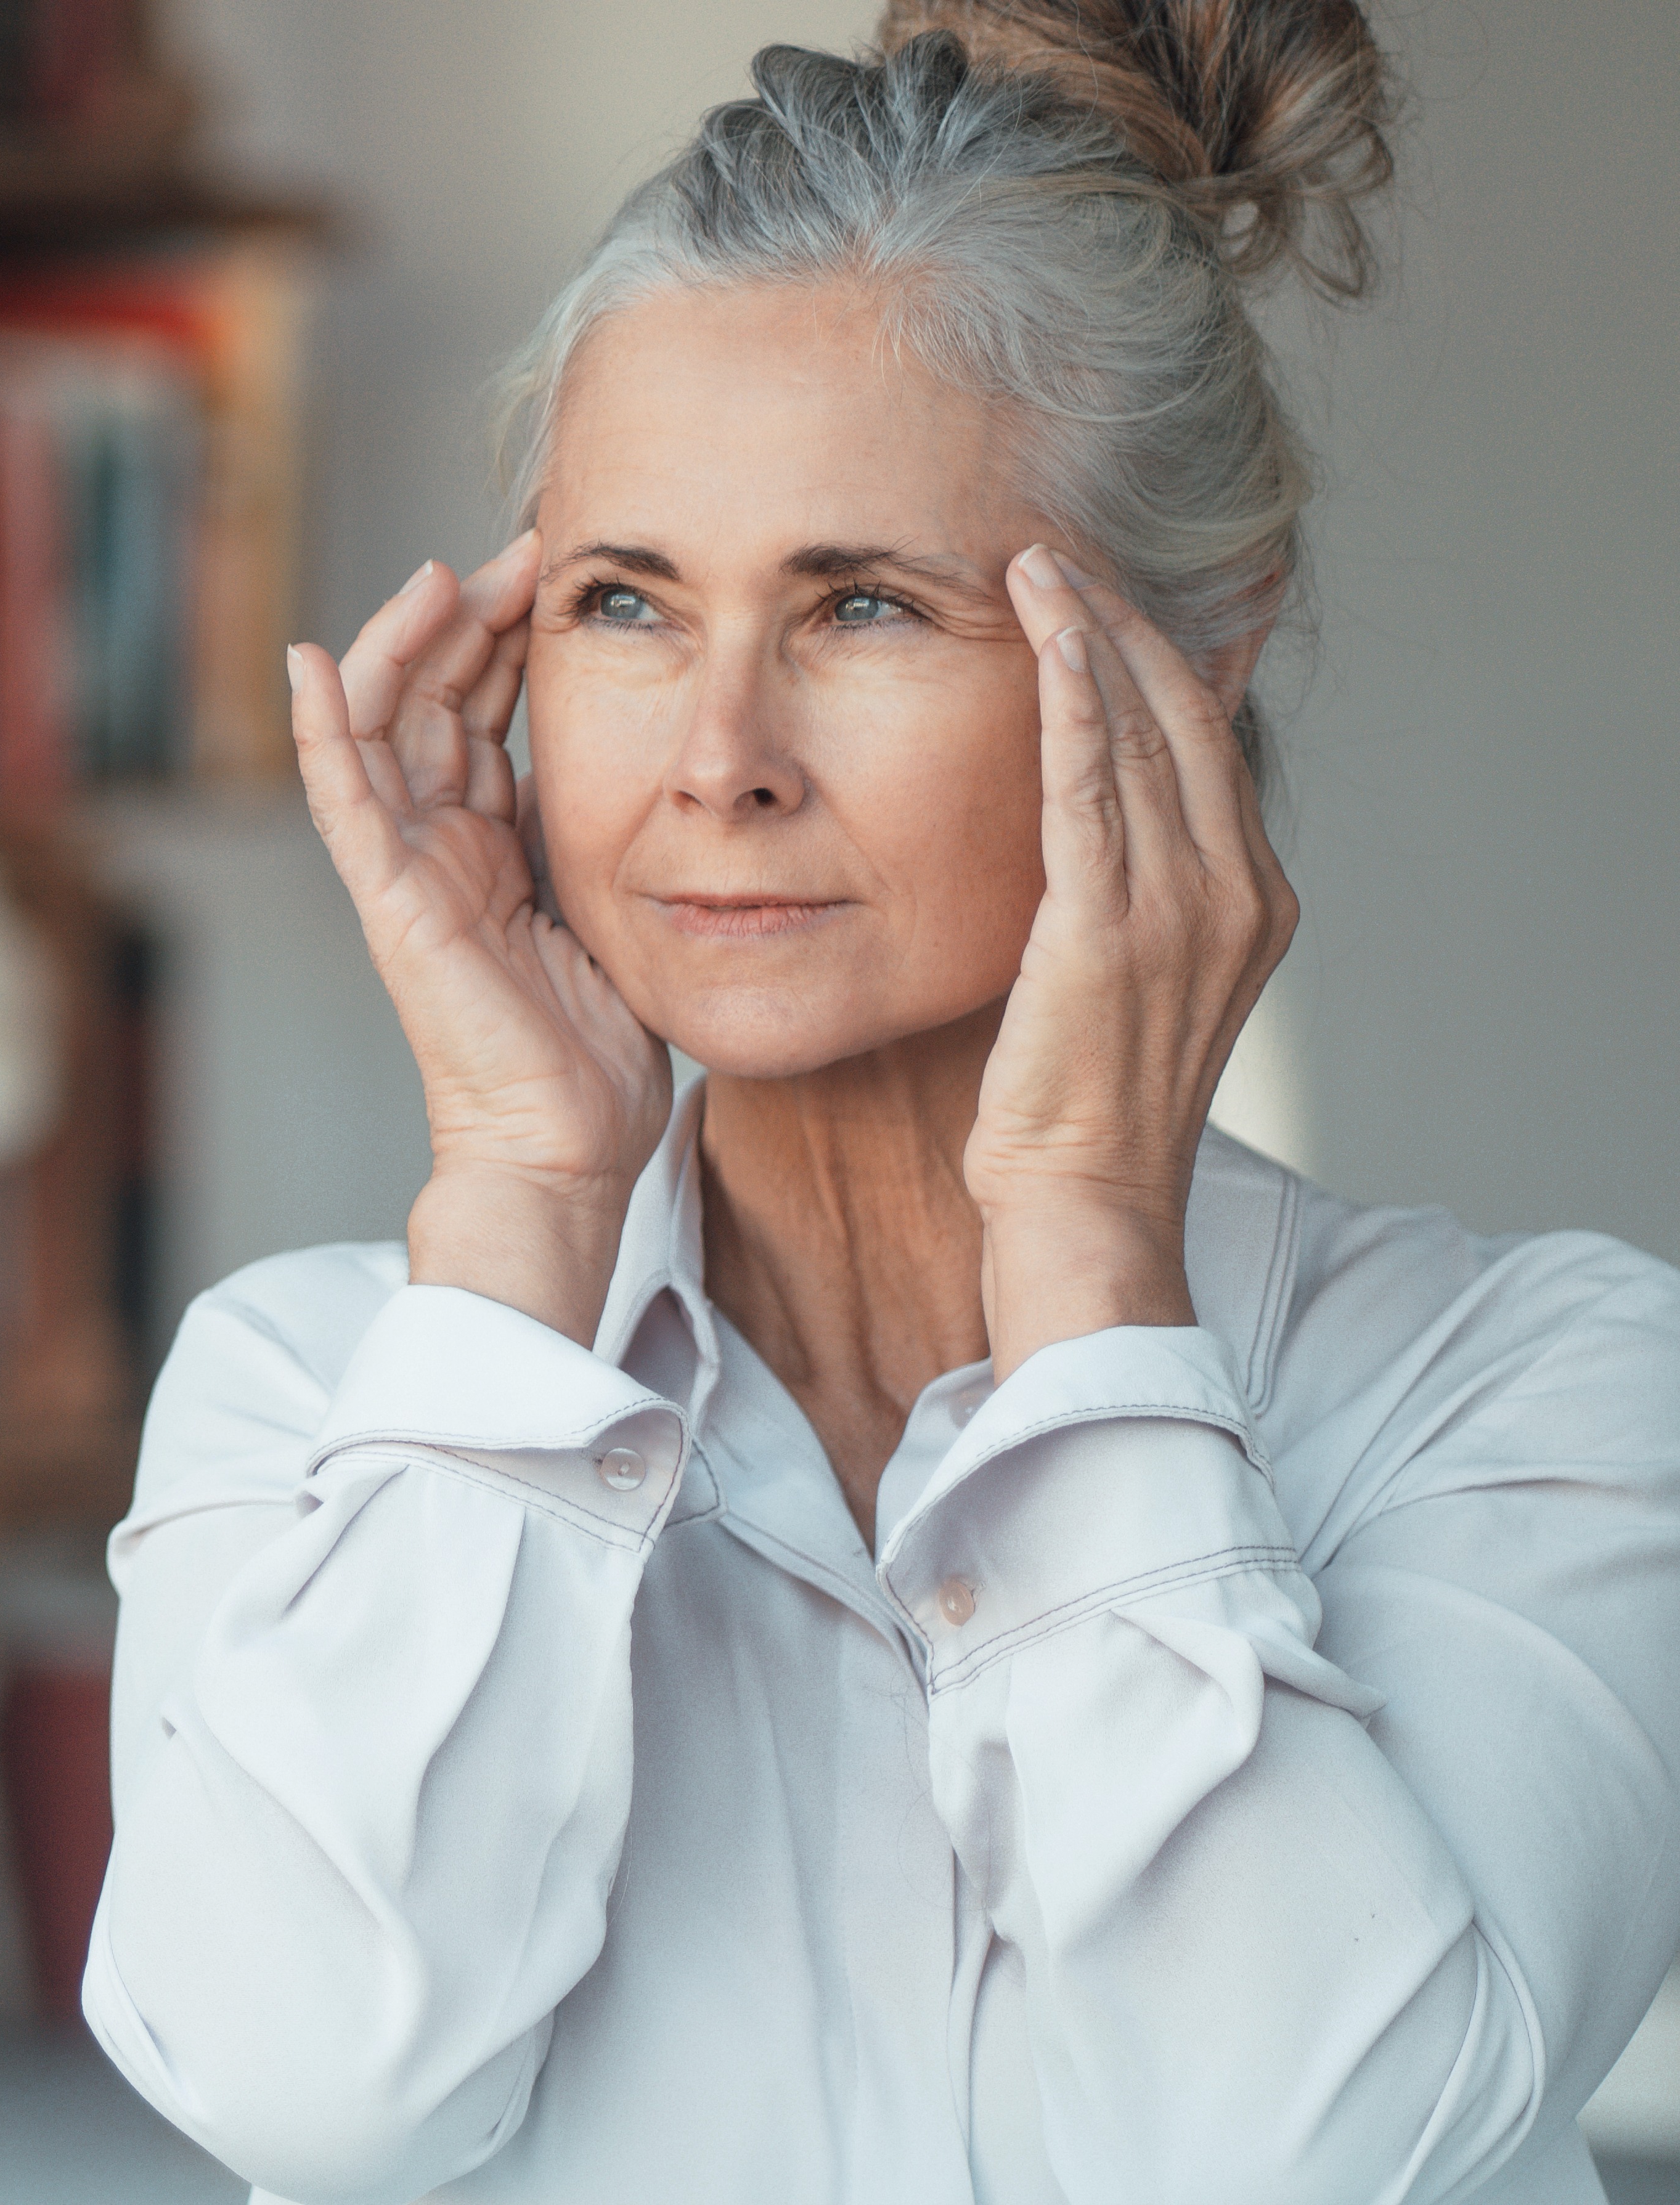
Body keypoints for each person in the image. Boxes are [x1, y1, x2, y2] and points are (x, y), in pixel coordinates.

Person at [81, 5, 1680, 2199]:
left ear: (1191, 659)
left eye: (859, 603)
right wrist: (529, 1197)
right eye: (626, 601)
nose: (716, 751)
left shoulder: (1538, 1397)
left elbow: (1295, 2164)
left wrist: (1087, 1279)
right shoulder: (316, 1395)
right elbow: (301, 2090)